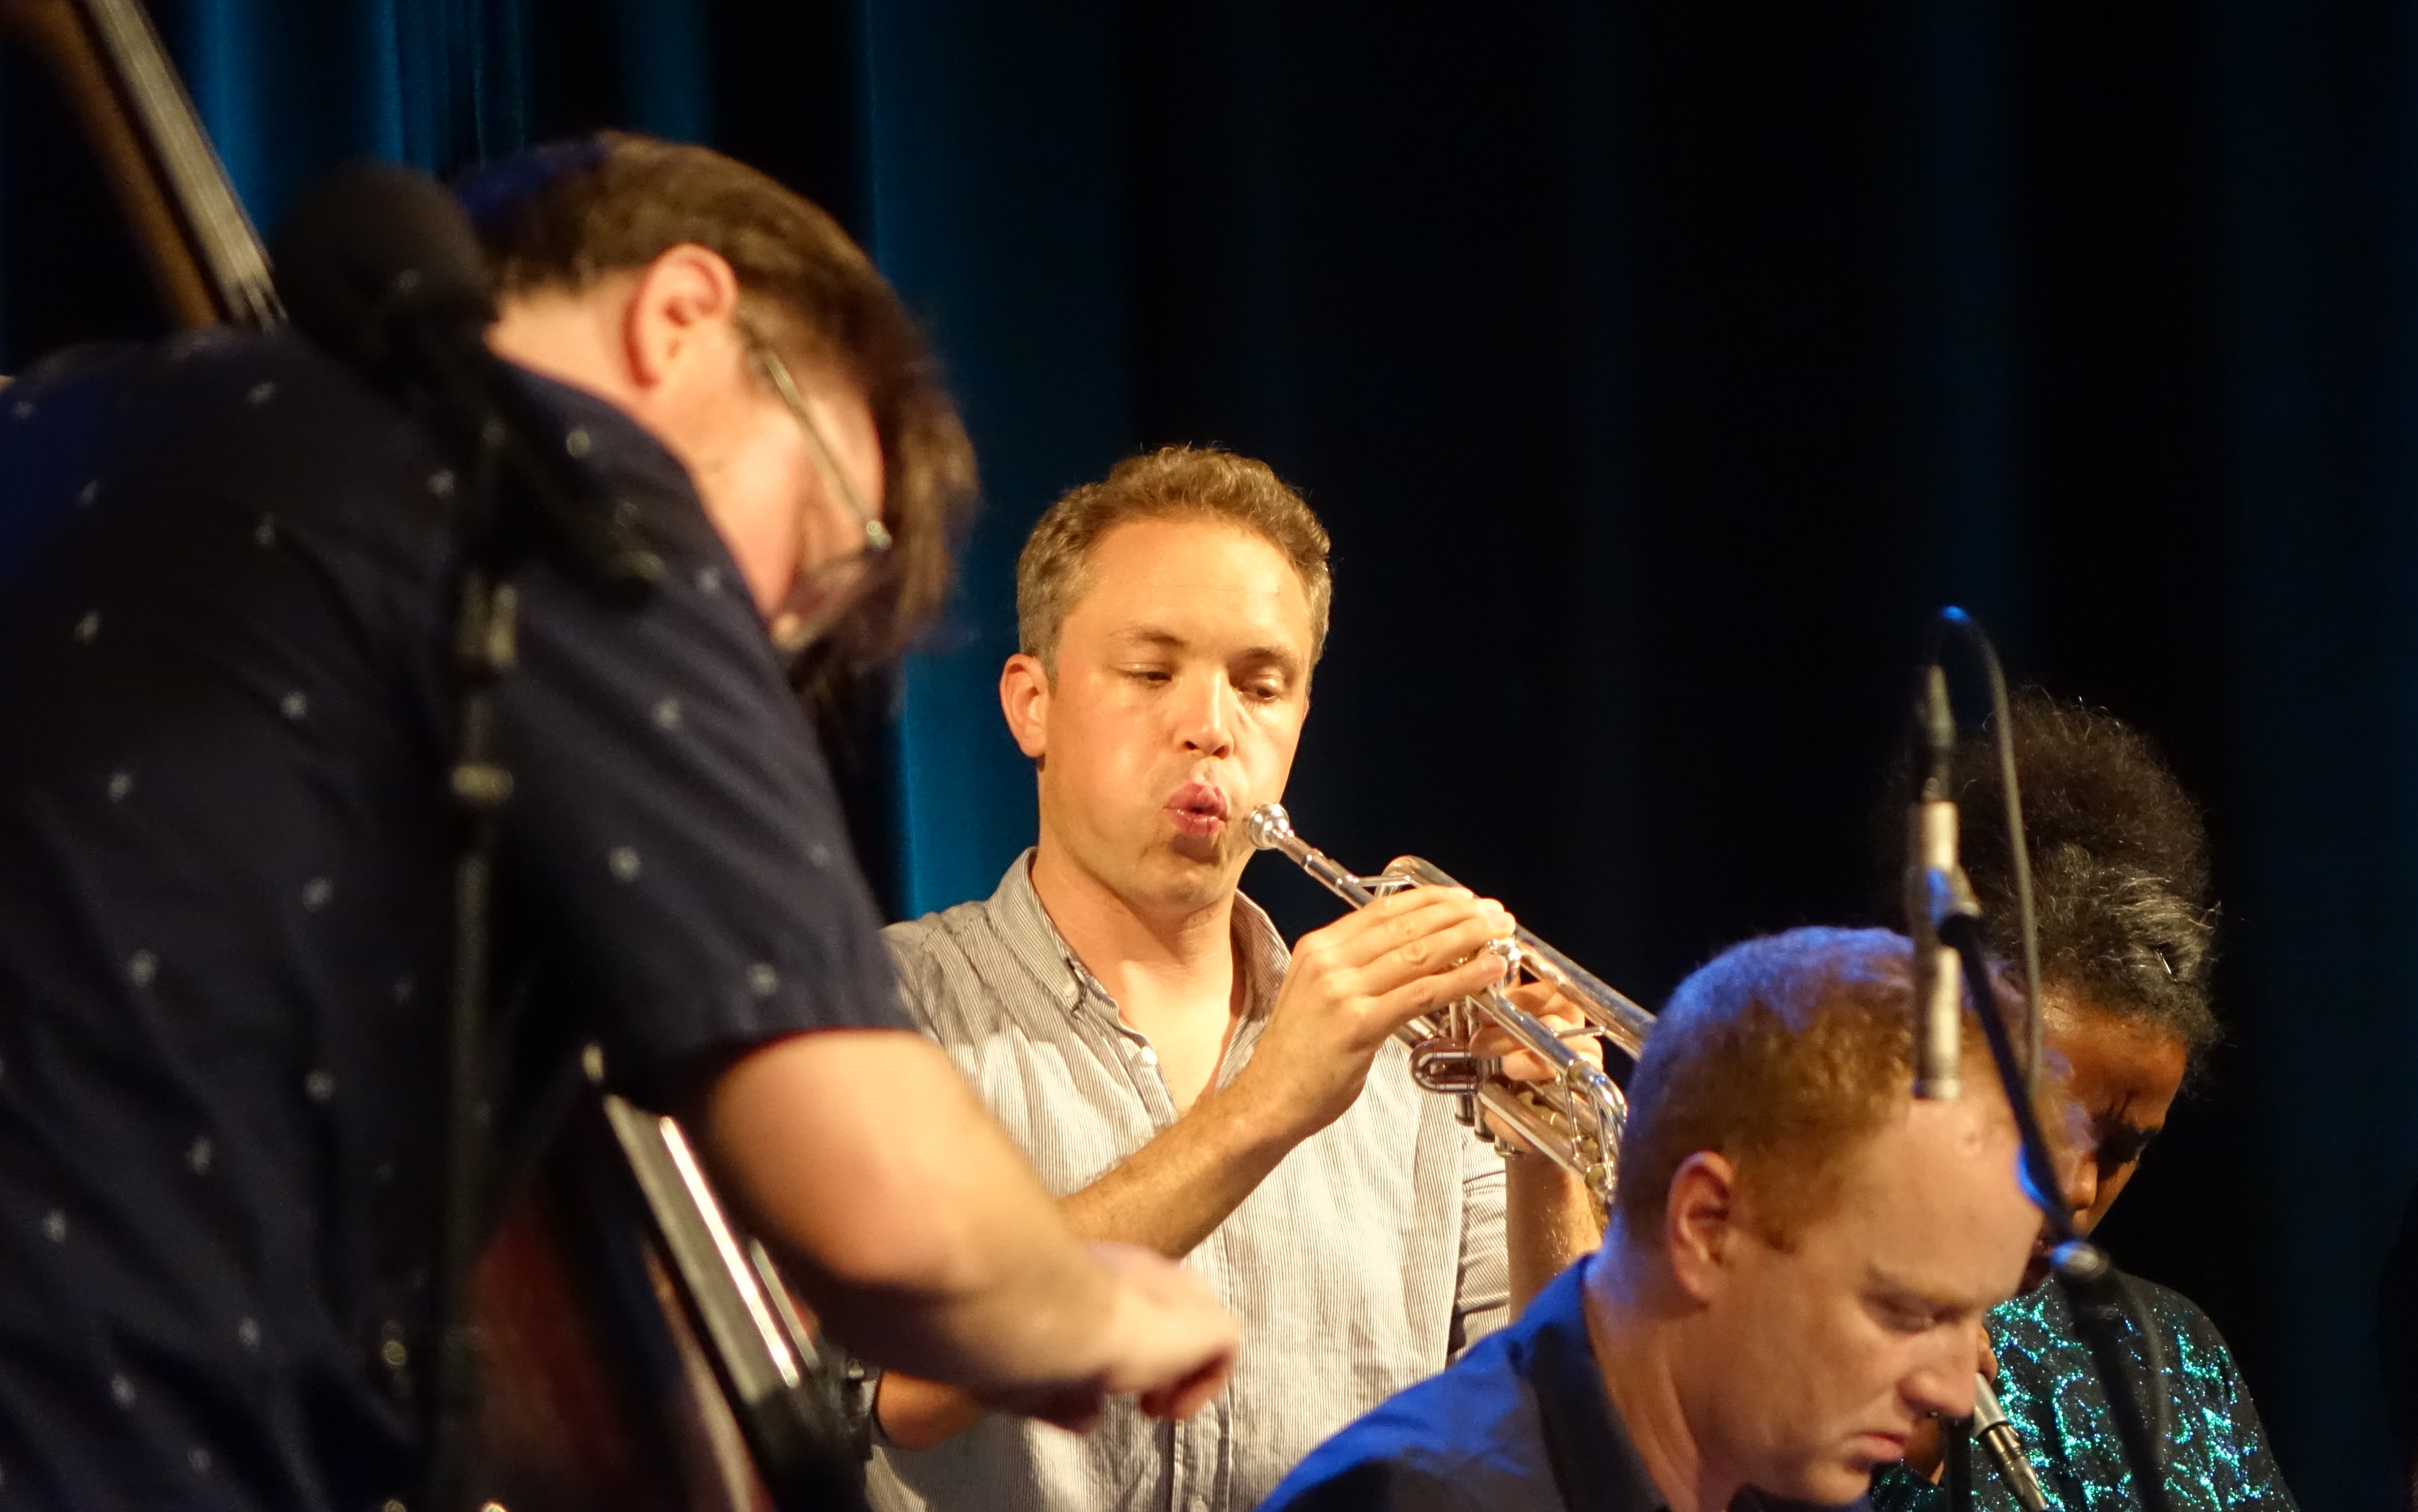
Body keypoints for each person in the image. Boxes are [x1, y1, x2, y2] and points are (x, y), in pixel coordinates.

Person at [0, 134, 1234, 1511]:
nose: (754, 640)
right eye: (814, 561)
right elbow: (888, 1213)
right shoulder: (560, 489)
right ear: (684, 319)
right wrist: (1097, 1304)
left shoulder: (67, 419)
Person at [863, 445, 1607, 1512]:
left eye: (1262, 685)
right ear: (1031, 705)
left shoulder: (1419, 1059)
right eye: (1151, 671)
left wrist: (1545, 1160)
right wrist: (1261, 1104)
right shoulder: (886, 1008)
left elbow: (1551, 1451)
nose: (1211, 727)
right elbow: (897, 1379)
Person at [1258, 925, 2044, 1512]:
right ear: (1706, 1225)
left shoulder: (1792, 1477)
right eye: (1906, 1309)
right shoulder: (1419, 1497)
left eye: (1974, 1313)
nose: (1951, 1388)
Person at [1867, 691, 2295, 1512]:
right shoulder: (1765, 1330)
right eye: (2048, 1122)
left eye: (2125, 1148)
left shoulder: (2168, 1357)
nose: (2079, 1190)